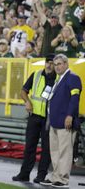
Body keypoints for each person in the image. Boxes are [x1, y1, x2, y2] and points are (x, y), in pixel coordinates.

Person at [12, 54, 56, 184]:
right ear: (44, 63)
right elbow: (23, 91)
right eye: (47, 62)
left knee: (46, 148)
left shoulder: (57, 78)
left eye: (52, 63)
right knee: (30, 146)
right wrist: (27, 102)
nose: (49, 65)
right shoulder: (36, 74)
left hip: (48, 118)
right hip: (34, 116)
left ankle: (41, 176)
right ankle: (24, 174)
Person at [41, 54, 82, 188]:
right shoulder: (58, 80)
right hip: (54, 121)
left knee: (65, 151)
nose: (57, 67)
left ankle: (63, 179)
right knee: (55, 151)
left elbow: (74, 99)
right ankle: (55, 177)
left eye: (59, 64)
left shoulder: (73, 78)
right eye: (55, 64)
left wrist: (70, 115)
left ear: (66, 64)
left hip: (65, 121)